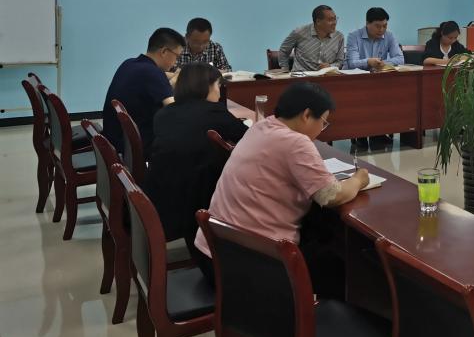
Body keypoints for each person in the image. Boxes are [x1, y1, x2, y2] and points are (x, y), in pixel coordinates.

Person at [193, 82, 368, 298]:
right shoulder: (295, 142)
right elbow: (331, 195)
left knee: (320, 237)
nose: (321, 130)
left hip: (213, 252)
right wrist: (359, 180)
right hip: (246, 265)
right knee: (343, 267)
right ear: (306, 115)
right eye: (323, 122)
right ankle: (316, 316)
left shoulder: (261, 127)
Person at [144, 64, 248, 254]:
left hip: (157, 199)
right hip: (189, 208)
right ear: (207, 86)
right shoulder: (215, 112)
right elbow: (247, 138)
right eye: (218, 86)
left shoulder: (164, 113)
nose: (219, 93)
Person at [101, 27, 183, 156]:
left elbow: (164, 77)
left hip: (115, 139)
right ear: (164, 51)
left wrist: (178, 77)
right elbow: (175, 111)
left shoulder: (129, 63)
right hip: (134, 147)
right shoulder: (153, 73)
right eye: (177, 56)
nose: (176, 62)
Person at [278, 5, 346, 72]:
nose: (334, 23)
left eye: (335, 19)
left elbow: (340, 61)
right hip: (301, 75)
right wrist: (285, 70)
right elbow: (284, 51)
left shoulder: (339, 37)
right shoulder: (299, 32)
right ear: (318, 21)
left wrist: (330, 66)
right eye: (330, 20)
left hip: (326, 76)